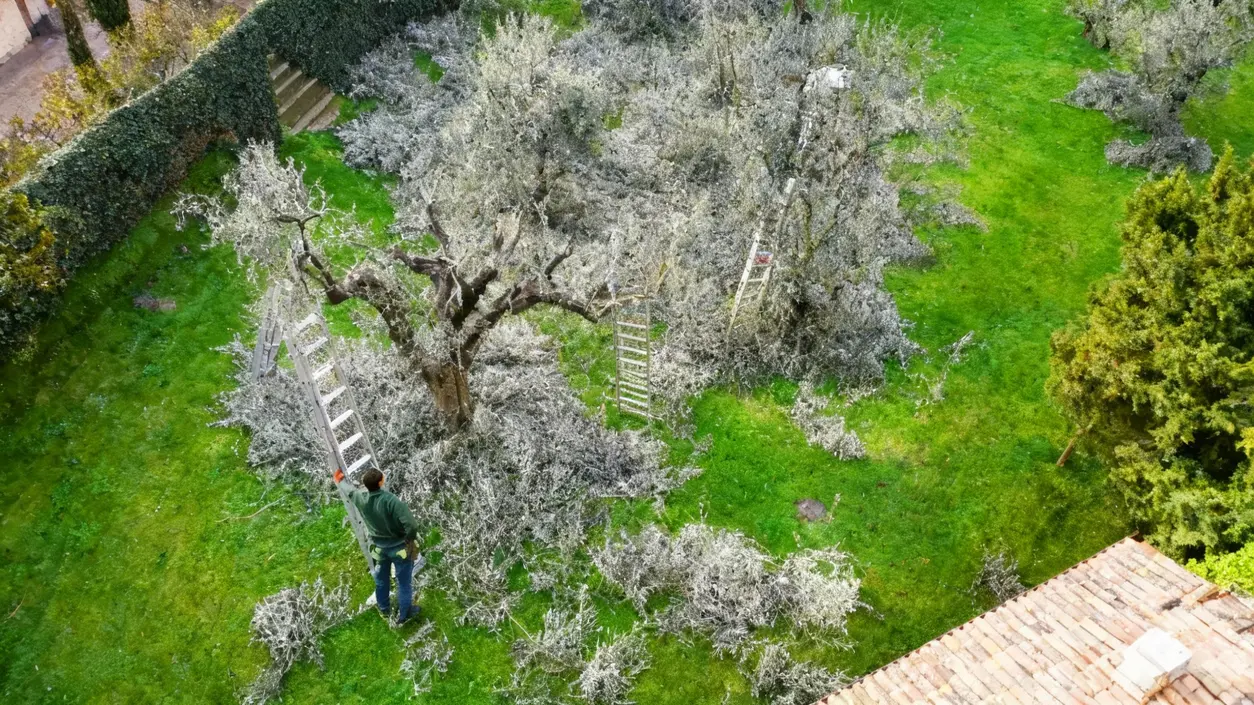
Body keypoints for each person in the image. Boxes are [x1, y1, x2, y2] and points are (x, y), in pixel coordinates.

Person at [340, 467, 420, 625]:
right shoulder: (391, 501)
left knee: (381, 580)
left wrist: (340, 479)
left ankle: (384, 608)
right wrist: (409, 540)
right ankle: (406, 613)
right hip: (399, 548)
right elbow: (411, 525)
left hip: (379, 548)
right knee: (403, 582)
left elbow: (350, 491)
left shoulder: (361, 498)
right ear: (381, 482)